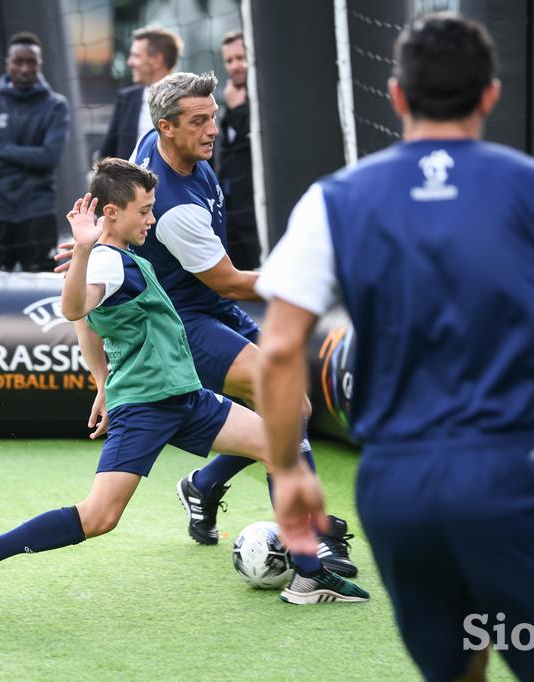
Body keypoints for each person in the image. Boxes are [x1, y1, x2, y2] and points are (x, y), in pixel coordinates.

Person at [257, 13, 534, 681]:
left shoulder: (332, 200)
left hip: (397, 487)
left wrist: (288, 470)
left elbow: (281, 350)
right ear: (490, 94)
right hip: (511, 482)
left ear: (396, 96)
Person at [0, 158, 365, 607]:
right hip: (147, 408)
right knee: (99, 517)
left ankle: (309, 576)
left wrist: (101, 382)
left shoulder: (124, 258)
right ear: (111, 213)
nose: (152, 219)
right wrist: (81, 251)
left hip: (186, 399)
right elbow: (75, 311)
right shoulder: (104, 262)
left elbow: (88, 328)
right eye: (145, 210)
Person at [117, 71, 357, 586]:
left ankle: (203, 485)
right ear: (166, 127)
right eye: (199, 121)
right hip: (181, 322)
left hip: (208, 305)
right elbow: (232, 282)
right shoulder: (174, 209)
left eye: (213, 117)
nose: (211, 129)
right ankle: (309, 547)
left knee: (299, 409)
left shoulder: (163, 145)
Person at [0, 31, 69, 272]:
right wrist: (29, 157)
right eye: (18, 62)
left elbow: (49, 158)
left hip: (37, 212)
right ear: (7, 64)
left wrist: (1, 149)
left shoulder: (56, 105)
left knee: (42, 289)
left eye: (31, 62)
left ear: (40, 65)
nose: (24, 69)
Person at [99, 26, 181, 161]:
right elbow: (107, 154)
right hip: (129, 181)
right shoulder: (126, 99)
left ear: (156, 60)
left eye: (136, 56)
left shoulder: (189, 100)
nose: (129, 62)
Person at [216, 31, 259, 270]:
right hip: (230, 212)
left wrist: (239, 109)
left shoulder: (261, 101)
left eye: (240, 58)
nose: (235, 66)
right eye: (229, 60)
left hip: (256, 211)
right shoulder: (227, 101)